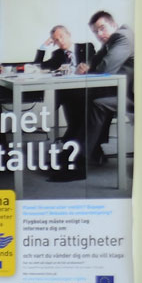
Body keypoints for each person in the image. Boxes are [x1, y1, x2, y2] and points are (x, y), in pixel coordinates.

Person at [50, 10, 135, 181]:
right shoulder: (111, 40)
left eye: (102, 28)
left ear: (113, 24)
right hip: (118, 90)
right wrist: (88, 66)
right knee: (77, 96)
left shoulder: (122, 37)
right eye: (95, 32)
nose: (99, 34)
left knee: (97, 103)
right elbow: (95, 61)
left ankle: (79, 162)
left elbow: (105, 69)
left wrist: (90, 68)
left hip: (133, 97)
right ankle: (78, 149)